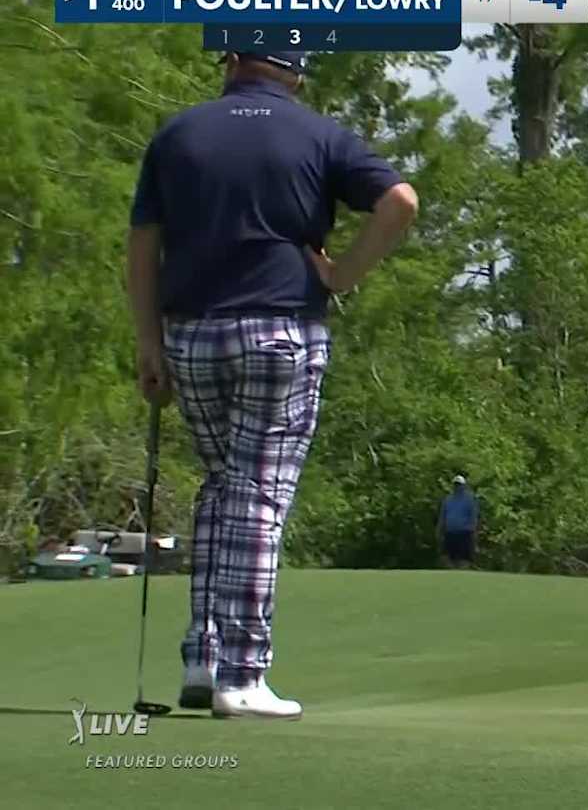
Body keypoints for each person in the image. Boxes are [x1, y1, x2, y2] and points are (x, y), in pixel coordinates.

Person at [128, 50, 418, 720]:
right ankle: (242, 672)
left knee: (225, 486)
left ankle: (202, 655)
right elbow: (399, 201)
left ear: (232, 60)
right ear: (297, 69)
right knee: (259, 496)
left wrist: (148, 341)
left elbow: (143, 244)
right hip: (282, 332)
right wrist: (342, 275)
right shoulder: (321, 135)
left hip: (191, 337)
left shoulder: (179, 133)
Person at [437, 475, 479, 569]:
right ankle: (453, 574)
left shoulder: (469, 499)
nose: (457, 487)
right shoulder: (448, 499)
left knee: (464, 559)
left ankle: (460, 575)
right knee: (446, 557)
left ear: (464, 486)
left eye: (459, 485)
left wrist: (474, 532)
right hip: (450, 532)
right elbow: (442, 516)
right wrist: (439, 530)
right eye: (455, 485)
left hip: (465, 533)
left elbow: (473, 517)